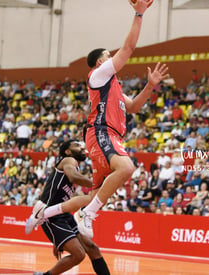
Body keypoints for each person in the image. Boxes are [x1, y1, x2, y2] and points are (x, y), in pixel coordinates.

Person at [74, 0, 167, 238]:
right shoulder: (97, 75)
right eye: (108, 55)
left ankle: (49, 212)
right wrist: (139, 13)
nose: (112, 57)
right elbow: (127, 50)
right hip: (102, 131)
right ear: (100, 62)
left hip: (110, 135)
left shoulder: (112, 85)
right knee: (126, 167)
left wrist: (149, 86)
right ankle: (88, 214)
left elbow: (134, 106)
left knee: (95, 193)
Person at [27, 140, 110, 275]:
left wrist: (57, 240)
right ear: (68, 151)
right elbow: (73, 177)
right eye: (76, 145)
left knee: (92, 248)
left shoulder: (74, 165)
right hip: (50, 216)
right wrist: (97, 184)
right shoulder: (68, 160)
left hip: (64, 214)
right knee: (79, 254)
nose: (82, 147)